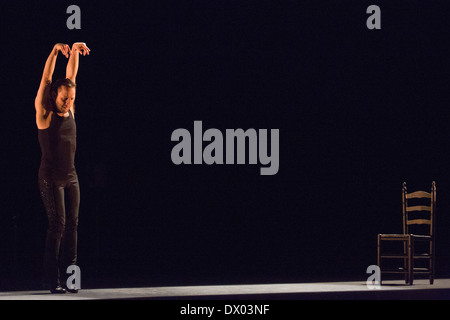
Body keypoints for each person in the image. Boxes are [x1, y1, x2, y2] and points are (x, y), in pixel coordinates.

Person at [35, 42, 90, 293]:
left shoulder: (71, 107)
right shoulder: (45, 113)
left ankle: (71, 278)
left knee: (73, 225)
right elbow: (48, 78)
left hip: (71, 176)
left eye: (71, 98)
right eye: (64, 98)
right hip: (50, 177)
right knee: (57, 224)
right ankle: (50, 280)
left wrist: (76, 52)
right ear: (54, 96)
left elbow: (71, 77)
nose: (68, 102)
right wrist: (55, 52)